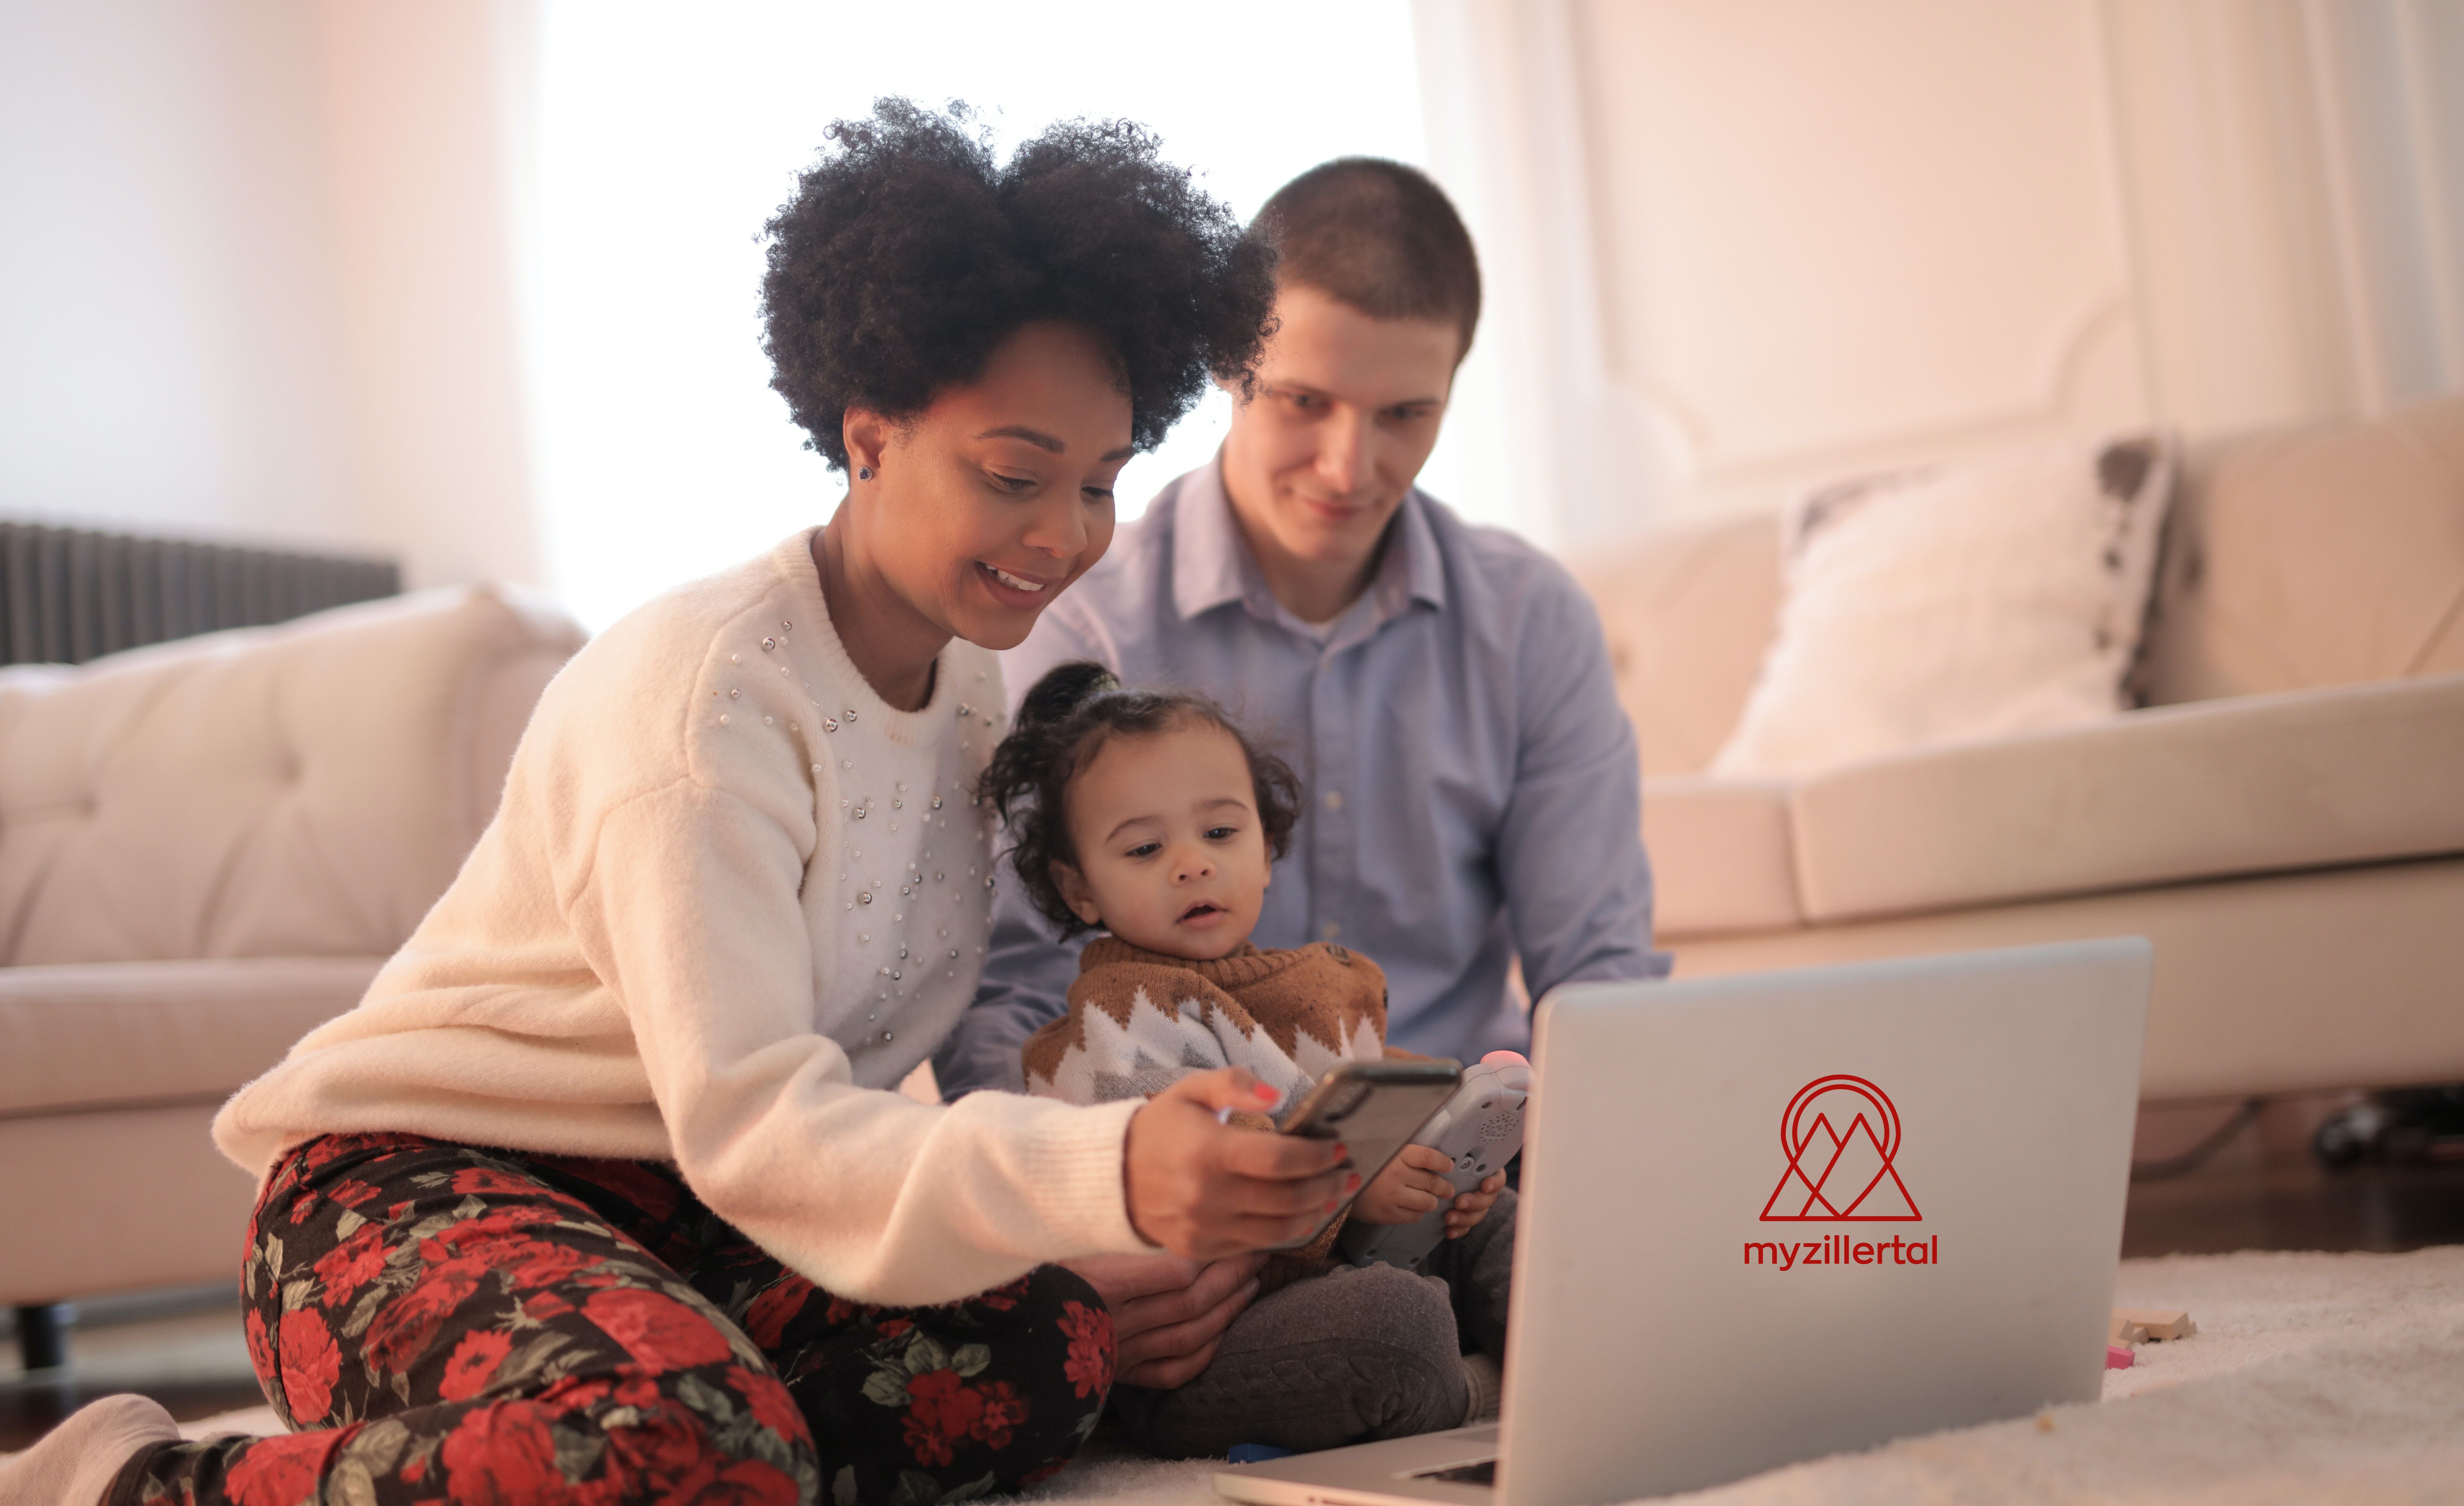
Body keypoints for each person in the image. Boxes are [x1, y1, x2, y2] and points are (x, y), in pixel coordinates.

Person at [0, 102, 1334, 1506]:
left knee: (1047, 1343)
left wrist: (1085, 1210)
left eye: (1101, 483)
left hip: (698, 1218)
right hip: (405, 1196)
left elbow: (841, 1112)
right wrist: (1105, 1165)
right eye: (1015, 475)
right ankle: (135, 1481)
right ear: (867, 431)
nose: (1066, 535)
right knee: (678, 1444)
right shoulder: (710, 697)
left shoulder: (969, 696)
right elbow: (765, 1125)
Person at [933, 158, 1669, 1379]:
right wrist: (1063, 1232)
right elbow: (1003, 988)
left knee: (1647, 1298)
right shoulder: (1082, 620)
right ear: (1229, 370)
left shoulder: (1532, 619)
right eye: (1304, 401)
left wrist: (1615, 1169)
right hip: (1192, 1185)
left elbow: (1598, 973)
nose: (1348, 466)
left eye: (1404, 416)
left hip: (1462, 1166)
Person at [982, 661, 1515, 1455]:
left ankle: (1584, 1356)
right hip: (1211, 1340)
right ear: (1080, 887)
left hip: (1355, 1263)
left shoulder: (1325, 980)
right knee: (1395, 1327)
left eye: (1222, 833)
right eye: (1144, 848)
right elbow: (1208, 1176)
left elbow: (1391, 1090)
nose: (1191, 862)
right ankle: (1484, 1390)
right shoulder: (1119, 1016)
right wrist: (1357, 1189)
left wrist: (1454, 1166)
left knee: (1516, 1229)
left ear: (1268, 850)